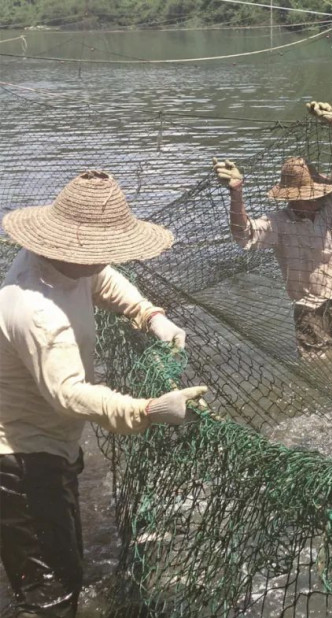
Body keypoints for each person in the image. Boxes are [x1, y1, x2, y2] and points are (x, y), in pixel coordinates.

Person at [0, 170, 207, 617]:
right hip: (19, 458)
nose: (107, 258)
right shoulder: (35, 310)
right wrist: (149, 409)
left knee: (67, 565)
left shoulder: (63, 262)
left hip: (50, 443)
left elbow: (101, 280)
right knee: (49, 595)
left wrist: (149, 314)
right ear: (72, 247)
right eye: (103, 250)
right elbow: (70, 394)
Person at [214, 101, 332, 358]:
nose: (315, 198)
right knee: (317, 367)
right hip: (309, 310)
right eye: (307, 194)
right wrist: (236, 193)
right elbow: (243, 235)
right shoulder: (278, 223)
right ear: (292, 197)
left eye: (315, 192)